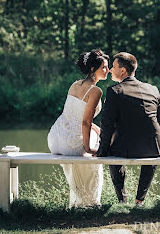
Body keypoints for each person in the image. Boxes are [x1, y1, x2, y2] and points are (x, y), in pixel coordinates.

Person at [97, 52, 160, 207]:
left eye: (113, 67)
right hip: (155, 148)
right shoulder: (153, 89)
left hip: (125, 149)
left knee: (112, 152)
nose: (110, 70)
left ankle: (123, 201)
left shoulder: (114, 91)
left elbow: (107, 125)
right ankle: (139, 201)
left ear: (123, 71)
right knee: (150, 145)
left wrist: (102, 152)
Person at [47, 49, 109, 208]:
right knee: (96, 154)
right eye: (104, 67)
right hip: (72, 143)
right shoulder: (95, 91)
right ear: (92, 69)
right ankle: (91, 203)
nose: (107, 70)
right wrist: (88, 148)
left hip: (55, 138)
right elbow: (85, 123)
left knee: (97, 134)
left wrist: (95, 128)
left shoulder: (75, 84)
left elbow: (73, 115)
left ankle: (79, 200)